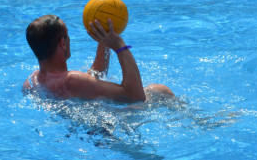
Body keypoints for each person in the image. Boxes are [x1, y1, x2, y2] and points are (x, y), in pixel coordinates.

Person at [23, 14, 174, 102]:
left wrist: (104, 42)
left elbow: (93, 81)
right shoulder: (73, 80)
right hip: (106, 127)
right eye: (67, 36)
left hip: (82, 129)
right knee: (160, 90)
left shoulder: (31, 82)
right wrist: (119, 45)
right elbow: (136, 96)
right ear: (62, 43)